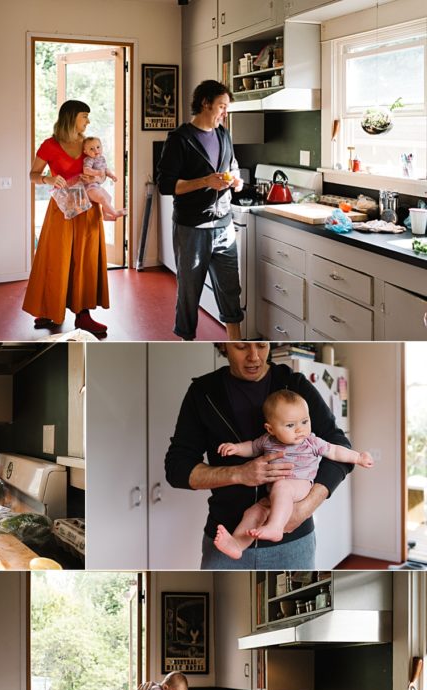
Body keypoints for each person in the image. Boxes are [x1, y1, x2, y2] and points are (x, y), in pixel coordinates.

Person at [165, 342, 355, 569]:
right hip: (227, 538)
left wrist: (305, 508)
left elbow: (339, 446)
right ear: (224, 346)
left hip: (293, 541)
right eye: (241, 347)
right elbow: (177, 469)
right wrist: (239, 474)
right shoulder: (203, 393)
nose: (254, 357)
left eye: (261, 346)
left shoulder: (294, 384)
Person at [213, 390, 374, 558]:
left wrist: (358, 457)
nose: (300, 430)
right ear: (271, 428)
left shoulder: (311, 441)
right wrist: (236, 448)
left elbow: (334, 451)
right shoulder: (267, 440)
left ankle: (275, 528)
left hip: (301, 485)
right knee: (254, 512)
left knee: (282, 487)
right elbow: (252, 447)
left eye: (305, 421)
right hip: (276, 495)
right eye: (290, 425)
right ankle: (237, 545)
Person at [157, 80, 244, 342]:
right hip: (192, 228)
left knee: (231, 291)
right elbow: (166, 185)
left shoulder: (223, 134)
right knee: (189, 293)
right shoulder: (180, 139)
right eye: (221, 106)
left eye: (226, 107)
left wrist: (236, 180)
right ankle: (187, 342)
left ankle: (235, 343)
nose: (224, 113)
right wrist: (205, 181)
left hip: (224, 225)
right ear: (205, 103)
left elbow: (234, 165)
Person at [22, 100, 110, 337]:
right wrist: (47, 180)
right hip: (60, 210)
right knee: (56, 260)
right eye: (84, 116)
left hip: (87, 209)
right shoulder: (50, 145)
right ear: (71, 117)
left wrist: (96, 179)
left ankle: (83, 316)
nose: (88, 121)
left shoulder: (89, 144)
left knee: (85, 260)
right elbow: (33, 174)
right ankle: (51, 309)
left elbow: (102, 173)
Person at [82, 137, 127, 221]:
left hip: (97, 186)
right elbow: (86, 170)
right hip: (90, 188)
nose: (96, 150)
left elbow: (106, 169)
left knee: (108, 198)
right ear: (86, 152)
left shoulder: (102, 158)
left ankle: (105, 216)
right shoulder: (89, 159)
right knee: (102, 199)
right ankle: (115, 213)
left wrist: (111, 175)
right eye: (91, 149)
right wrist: (97, 172)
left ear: (102, 147)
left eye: (98, 147)